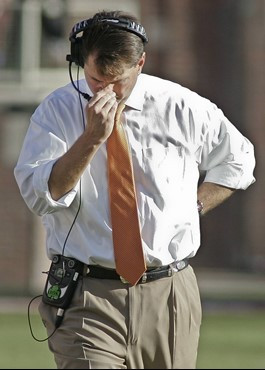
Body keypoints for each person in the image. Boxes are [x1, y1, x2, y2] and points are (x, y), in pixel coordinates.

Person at [14, 9, 256, 369]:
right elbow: (40, 196)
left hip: (170, 293)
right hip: (87, 294)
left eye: (117, 81)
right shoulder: (56, 112)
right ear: (81, 63)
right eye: (96, 79)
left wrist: (195, 208)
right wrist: (91, 139)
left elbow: (239, 162)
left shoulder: (182, 106)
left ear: (140, 63)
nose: (106, 91)